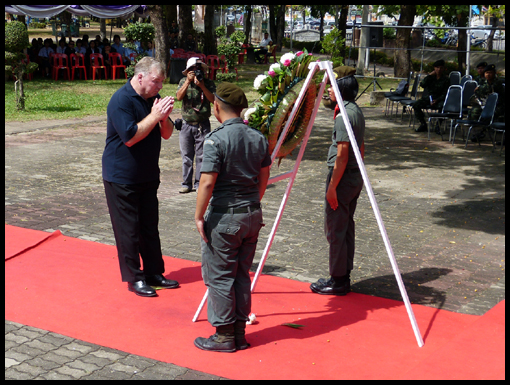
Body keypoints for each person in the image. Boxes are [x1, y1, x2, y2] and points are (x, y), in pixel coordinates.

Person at [194, 82, 271, 353]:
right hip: (252, 214)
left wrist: (198, 215)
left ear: (216, 107)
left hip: (226, 216)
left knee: (219, 276)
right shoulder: (258, 137)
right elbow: (264, 176)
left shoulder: (216, 139)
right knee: (240, 274)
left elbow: (206, 182)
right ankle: (239, 332)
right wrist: (253, 202)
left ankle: (225, 335)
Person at [102, 57, 179, 298]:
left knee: (149, 227)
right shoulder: (121, 100)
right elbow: (131, 136)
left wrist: (163, 118)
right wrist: (155, 116)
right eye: (156, 81)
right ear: (140, 77)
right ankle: (134, 278)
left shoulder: (152, 101)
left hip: (147, 174)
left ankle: (154, 273)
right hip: (121, 176)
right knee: (128, 230)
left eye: (162, 83)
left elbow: (166, 135)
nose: (159, 87)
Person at [310, 74, 365, 296]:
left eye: (332, 88)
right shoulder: (356, 111)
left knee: (336, 228)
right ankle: (342, 273)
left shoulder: (344, 116)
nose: (329, 91)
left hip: (343, 178)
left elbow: (342, 155)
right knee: (345, 226)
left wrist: (332, 187)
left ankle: (338, 279)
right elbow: (361, 147)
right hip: (353, 176)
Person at [175, 58, 216, 194]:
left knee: (202, 156)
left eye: (199, 69)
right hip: (186, 124)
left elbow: (213, 100)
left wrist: (202, 86)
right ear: (187, 71)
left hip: (202, 124)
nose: (196, 71)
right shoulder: (183, 81)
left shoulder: (208, 83)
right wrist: (187, 81)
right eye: (193, 69)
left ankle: (199, 183)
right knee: (186, 156)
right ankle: (186, 183)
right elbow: (179, 97)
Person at [412, 59, 450, 132]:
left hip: (440, 99)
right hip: (430, 98)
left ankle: (438, 126)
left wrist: (437, 100)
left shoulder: (446, 79)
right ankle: (423, 124)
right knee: (416, 104)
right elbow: (422, 84)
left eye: (441, 68)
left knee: (442, 107)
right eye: (437, 67)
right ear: (434, 68)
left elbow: (446, 93)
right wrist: (429, 75)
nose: (439, 69)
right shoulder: (431, 77)